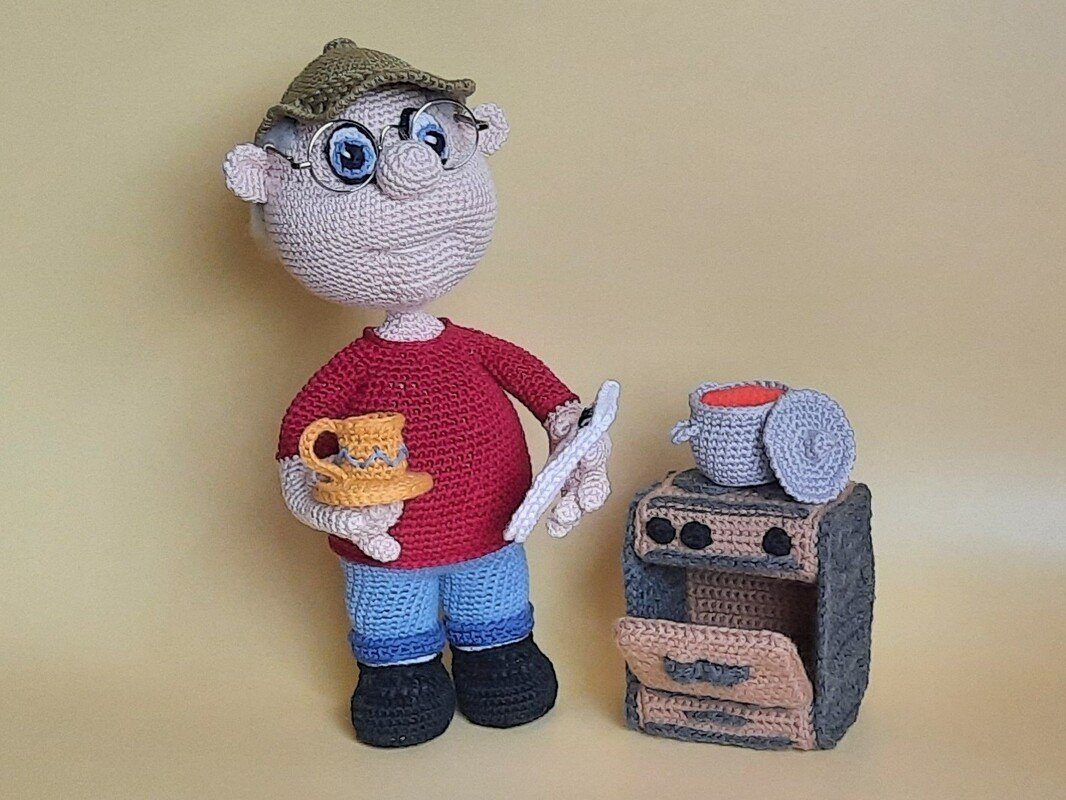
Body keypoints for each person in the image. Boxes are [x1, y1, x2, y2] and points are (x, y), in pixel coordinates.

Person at [223, 39, 612, 747]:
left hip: (495, 529)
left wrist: (576, 435)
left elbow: (552, 398)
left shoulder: (476, 350)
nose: (409, 175)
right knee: (390, 620)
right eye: (353, 157)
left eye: (431, 139)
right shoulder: (352, 369)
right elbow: (298, 442)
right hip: (386, 544)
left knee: (495, 615)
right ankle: (400, 675)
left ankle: (496, 658)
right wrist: (320, 502)